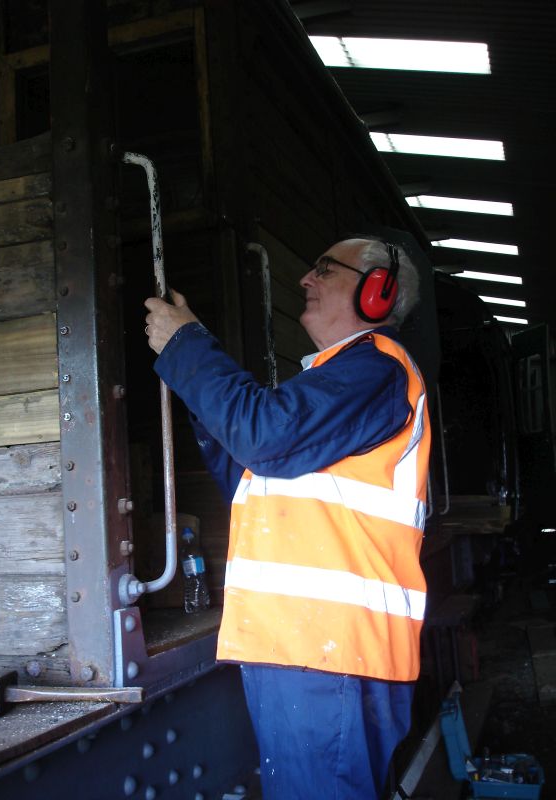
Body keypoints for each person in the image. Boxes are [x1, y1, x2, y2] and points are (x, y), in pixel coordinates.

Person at [144, 236, 430, 800]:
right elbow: (255, 471)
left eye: (324, 268)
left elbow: (264, 437)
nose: (305, 279)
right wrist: (199, 382)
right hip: (310, 648)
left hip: (333, 650)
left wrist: (188, 347)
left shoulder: (375, 368)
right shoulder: (338, 378)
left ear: (378, 291)